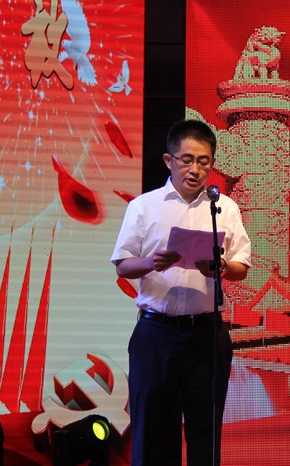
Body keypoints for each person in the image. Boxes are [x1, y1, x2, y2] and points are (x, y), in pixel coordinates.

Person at [111, 119, 251, 466]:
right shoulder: (144, 206)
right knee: (150, 430)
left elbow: (242, 266)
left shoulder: (224, 208)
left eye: (203, 161)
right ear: (168, 160)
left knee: (205, 433)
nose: (195, 169)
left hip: (206, 334)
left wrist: (220, 267)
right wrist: (151, 262)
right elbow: (123, 266)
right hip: (156, 333)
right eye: (187, 160)